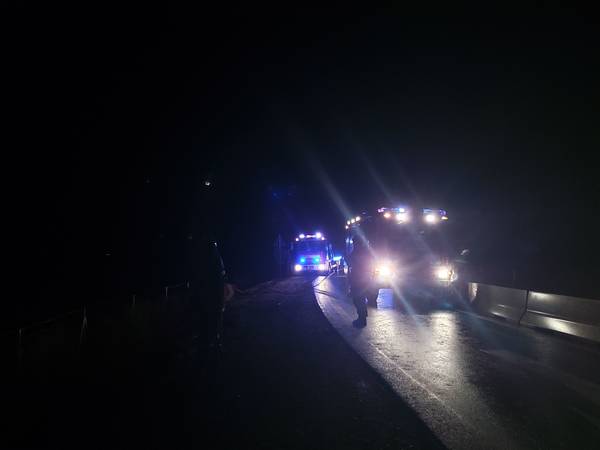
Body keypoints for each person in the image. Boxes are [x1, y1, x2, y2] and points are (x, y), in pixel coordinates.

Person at [348, 238, 374, 327]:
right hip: (362, 279)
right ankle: (362, 317)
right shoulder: (363, 251)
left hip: (359, 280)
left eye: (354, 242)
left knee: (358, 300)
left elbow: (351, 262)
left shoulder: (358, 252)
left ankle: (362, 319)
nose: (354, 244)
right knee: (359, 299)